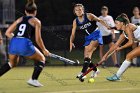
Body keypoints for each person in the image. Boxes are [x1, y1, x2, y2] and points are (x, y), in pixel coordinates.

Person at [0, 0, 50, 87]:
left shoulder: (20, 19)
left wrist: (17, 39)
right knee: (41, 58)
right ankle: (33, 79)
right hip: (24, 43)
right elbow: (38, 39)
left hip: (14, 42)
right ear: (35, 11)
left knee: (12, 63)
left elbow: (7, 33)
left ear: (25, 11)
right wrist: (44, 49)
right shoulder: (36, 21)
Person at [70, 4, 111, 79]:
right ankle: (95, 70)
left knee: (88, 51)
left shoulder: (89, 16)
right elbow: (73, 33)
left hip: (96, 34)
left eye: (80, 9)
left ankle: (83, 73)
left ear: (83, 10)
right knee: (86, 57)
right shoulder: (75, 21)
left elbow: (99, 20)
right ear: (74, 12)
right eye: (76, 10)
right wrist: (71, 42)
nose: (78, 11)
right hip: (88, 37)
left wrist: (107, 26)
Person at [100, 13, 140, 81]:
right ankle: (117, 76)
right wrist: (105, 56)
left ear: (122, 23)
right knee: (129, 56)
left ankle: (117, 76)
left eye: (116, 23)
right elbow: (115, 45)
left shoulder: (128, 27)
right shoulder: (123, 34)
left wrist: (120, 48)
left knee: (128, 56)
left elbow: (131, 42)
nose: (115, 25)